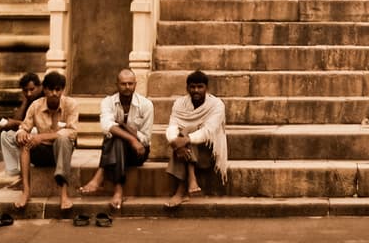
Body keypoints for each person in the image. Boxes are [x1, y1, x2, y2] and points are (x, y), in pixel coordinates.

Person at [81, 66, 154, 211]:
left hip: (139, 153)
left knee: (116, 134)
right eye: (123, 84)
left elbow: (145, 139)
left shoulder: (146, 105)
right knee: (117, 137)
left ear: (135, 84)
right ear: (117, 84)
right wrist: (131, 138)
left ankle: (100, 174)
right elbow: (106, 126)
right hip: (121, 148)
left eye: (130, 83)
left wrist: (124, 127)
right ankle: (118, 189)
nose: (127, 87)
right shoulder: (108, 102)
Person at [13, 69, 79, 214]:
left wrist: (41, 137)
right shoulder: (36, 105)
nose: (54, 93)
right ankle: (26, 191)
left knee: (63, 139)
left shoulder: (71, 104)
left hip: (62, 149)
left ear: (62, 90)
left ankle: (63, 194)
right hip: (43, 151)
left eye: (58, 89)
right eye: (50, 89)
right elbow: (23, 127)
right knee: (24, 143)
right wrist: (22, 134)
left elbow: (72, 132)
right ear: (44, 89)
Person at [165, 68, 228, 208]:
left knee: (188, 131)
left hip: (208, 153)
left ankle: (180, 191)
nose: (196, 90)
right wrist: (176, 144)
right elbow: (172, 127)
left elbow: (208, 132)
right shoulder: (180, 104)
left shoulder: (217, 105)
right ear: (187, 88)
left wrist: (183, 140)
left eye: (200, 87)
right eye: (192, 87)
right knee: (185, 132)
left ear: (207, 88)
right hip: (185, 151)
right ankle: (190, 178)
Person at [0, 71, 44, 183]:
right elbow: (19, 117)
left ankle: (25, 172)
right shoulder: (28, 99)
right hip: (27, 130)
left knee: (29, 133)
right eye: (25, 90)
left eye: (32, 89)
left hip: (42, 134)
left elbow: (40, 124)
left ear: (40, 87)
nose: (29, 93)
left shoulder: (43, 99)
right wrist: (25, 101)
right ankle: (15, 171)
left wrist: (15, 123)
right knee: (5, 135)